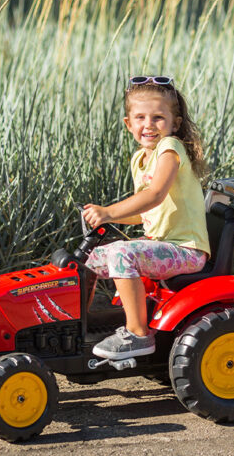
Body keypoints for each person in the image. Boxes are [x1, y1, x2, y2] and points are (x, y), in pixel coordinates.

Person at [82, 75, 210, 360]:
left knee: (121, 255)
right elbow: (146, 212)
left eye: (158, 118)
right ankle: (82, 324)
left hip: (185, 249)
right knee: (89, 260)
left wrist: (109, 211)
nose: (148, 125)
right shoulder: (141, 158)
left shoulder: (170, 149)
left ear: (174, 124)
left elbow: (155, 195)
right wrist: (105, 219)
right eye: (140, 117)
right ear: (128, 124)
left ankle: (138, 335)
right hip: (162, 246)